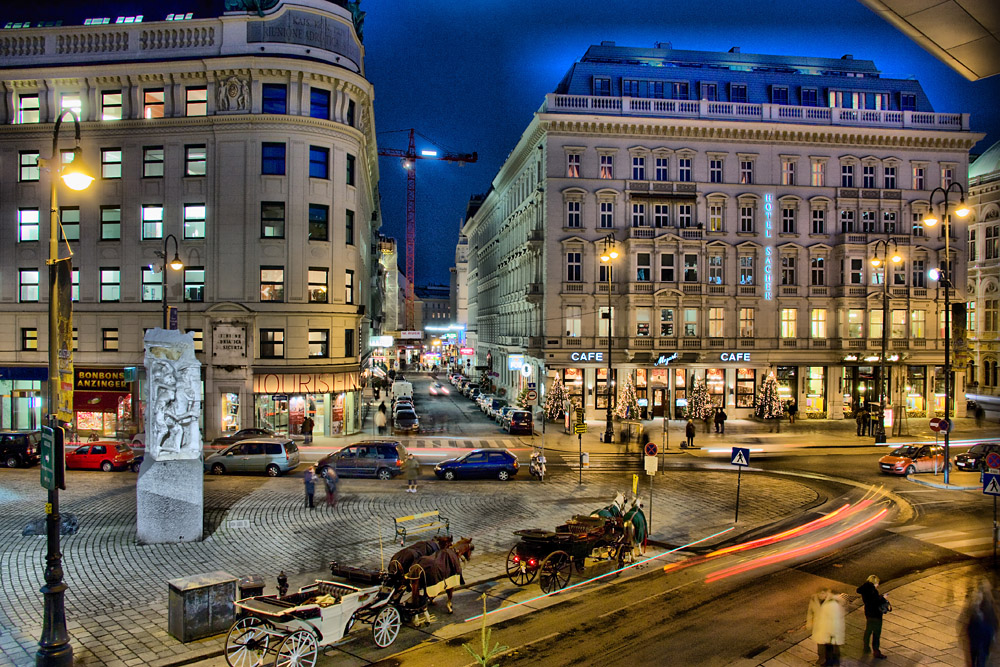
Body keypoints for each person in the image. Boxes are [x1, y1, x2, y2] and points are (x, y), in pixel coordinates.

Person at [962, 579, 998, 667]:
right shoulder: (976, 607)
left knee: (980, 658)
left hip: (982, 637)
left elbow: (993, 624)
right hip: (977, 638)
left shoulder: (987, 607)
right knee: (977, 657)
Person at [807, 588, 845, 666]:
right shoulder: (814, 599)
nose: (821, 595)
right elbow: (810, 611)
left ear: (827, 593)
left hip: (830, 627)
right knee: (821, 644)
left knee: (832, 647)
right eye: (819, 593)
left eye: (823, 593)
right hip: (819, 626)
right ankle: (822, 659)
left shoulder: (832, 601)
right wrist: (809, 623)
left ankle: (833, 661)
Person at [857, 574, 888, 659]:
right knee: (876, 633)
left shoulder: (865, 589)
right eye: (877, 583)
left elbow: (869, 601)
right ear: (874, 582)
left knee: (868, 630)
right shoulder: (872, 591)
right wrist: (882, 598)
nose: (878, 585)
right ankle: (876, 651)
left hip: (868, 613)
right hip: (876, 614)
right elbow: (875, 602)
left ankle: (866, 647)